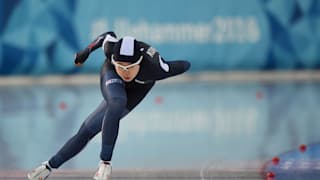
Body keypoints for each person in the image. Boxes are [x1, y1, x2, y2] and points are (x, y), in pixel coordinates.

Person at [27, 31, 190, 180]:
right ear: (114, 59)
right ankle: (97, 163)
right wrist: (86, 52)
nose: (125, 71)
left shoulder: (157, 67)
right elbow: (107, 36)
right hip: (111, 75)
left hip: (139, 89)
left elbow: (182, 65)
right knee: (116, 103)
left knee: (92, 126)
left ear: (140, 62)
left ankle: (52, 166)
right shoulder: (110, 50)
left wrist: (188, 64)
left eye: (130, 67)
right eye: (121, 65)